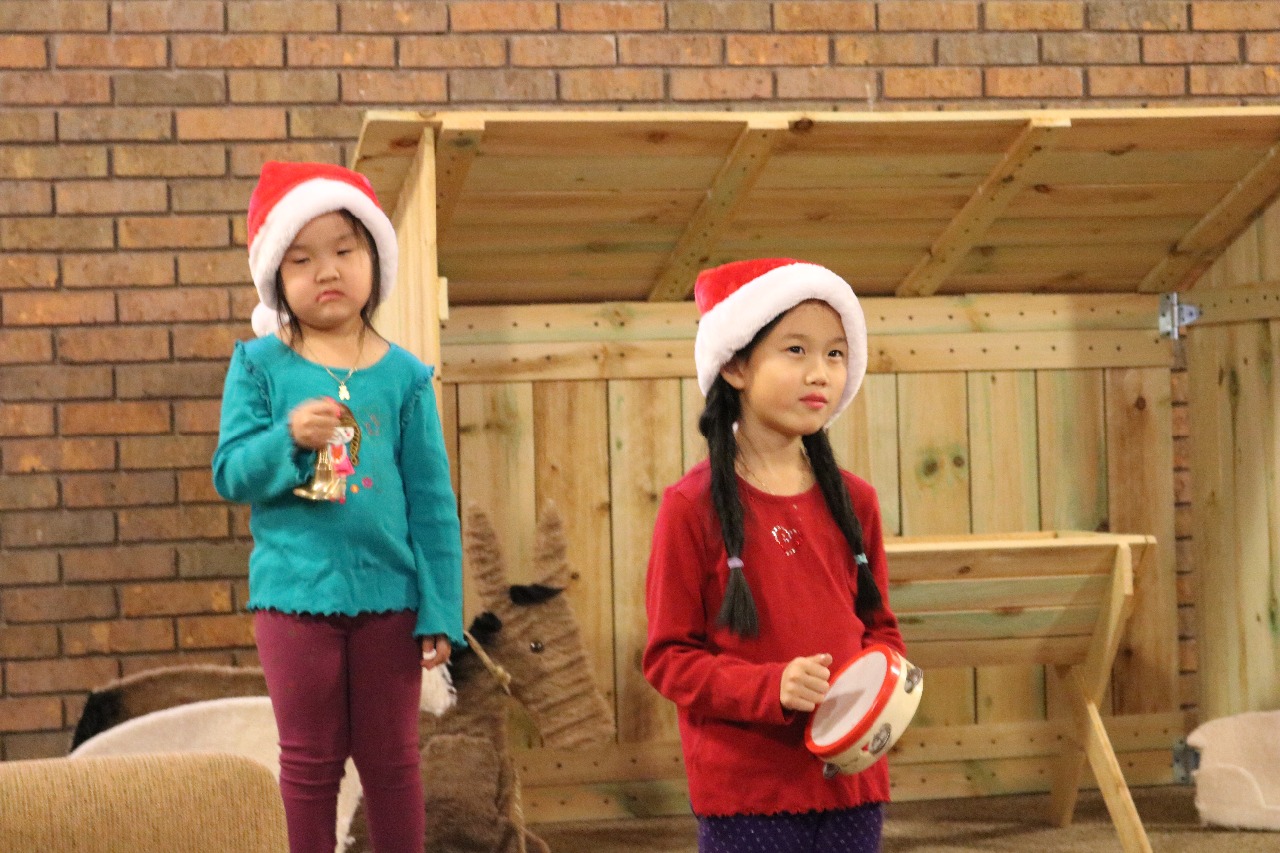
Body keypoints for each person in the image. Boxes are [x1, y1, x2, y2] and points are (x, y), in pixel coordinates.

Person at [212, 161, 463, 853]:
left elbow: (433, 504)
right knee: (309, 765)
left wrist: (441, 607)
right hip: (294, 599)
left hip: (391, 602)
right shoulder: (258, 365)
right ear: (276, 278)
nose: (326, 270)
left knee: (393, 764)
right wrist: (287, 438)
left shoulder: (406, 376)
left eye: (344, 250)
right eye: (301, 259)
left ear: (374, 261)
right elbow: (230, 473)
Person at [643, 258, 906, 853]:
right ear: (735, 365)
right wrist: (771, 687)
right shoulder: (690, 507)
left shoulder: (857, 501)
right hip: (747, 791)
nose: (820, 373)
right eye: (795, 350)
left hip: (852, 784)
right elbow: (669, 659)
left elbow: (881, 629)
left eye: (835, 354)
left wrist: (880, 688)